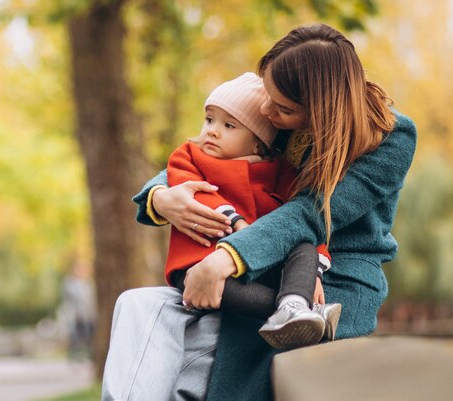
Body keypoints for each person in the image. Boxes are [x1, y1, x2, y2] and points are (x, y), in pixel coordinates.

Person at [102, 23, 417, 401]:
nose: (266, 111)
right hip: (260, 268)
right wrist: (160, 197)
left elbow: (310, 214)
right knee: (136, 305)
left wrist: (224, 261)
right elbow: (204, 154)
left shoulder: (389, 138)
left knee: (208, 362)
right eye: (267, 95)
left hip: (335, 282)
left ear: (318, 109)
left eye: (282, 107)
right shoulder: (284, 115)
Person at [163, 71, 339, 349]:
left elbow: (299, 216)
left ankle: (294, 302)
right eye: (209, 119)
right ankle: (302, 312)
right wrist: (235, 222)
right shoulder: (190, 156)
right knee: (236, 294)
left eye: (229, 125)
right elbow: (190, 190)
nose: (212, 130)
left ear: (258, 141)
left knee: (305, 244)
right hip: (200, 264)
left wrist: (315, 264)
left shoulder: (279, 171)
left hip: (262, 263)